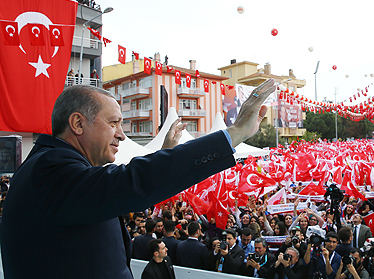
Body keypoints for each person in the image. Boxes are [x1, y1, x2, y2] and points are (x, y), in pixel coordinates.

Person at [0, 80, 276, 278]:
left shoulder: (55, 168)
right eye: (113, 123)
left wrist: (163, 155)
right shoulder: (50, 169)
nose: (122, 134)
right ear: (77, 123)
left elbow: (118, 189)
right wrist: (236, 133)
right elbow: (130, 181)